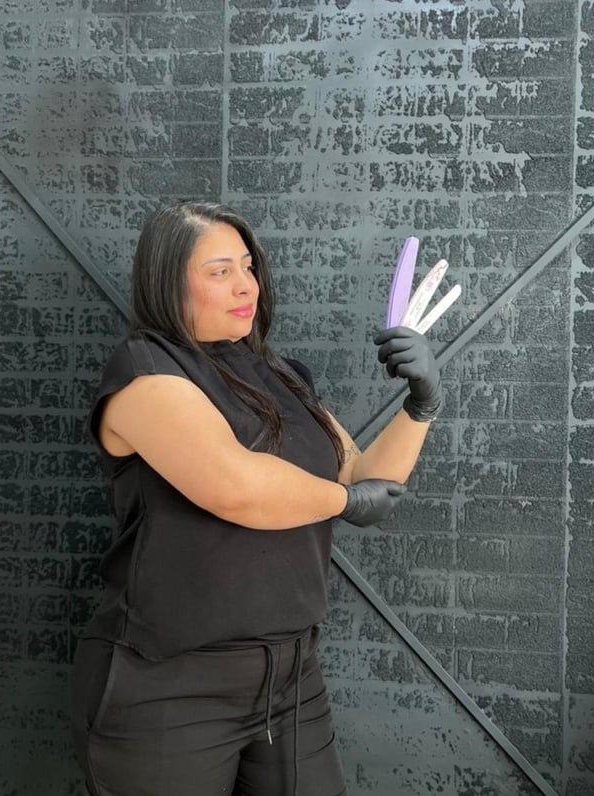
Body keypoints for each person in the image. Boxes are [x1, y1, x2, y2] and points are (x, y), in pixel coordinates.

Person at [70, 202, 442, 796]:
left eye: (249, 267)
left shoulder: (283, 376)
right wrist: (345, 501)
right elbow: (236, 487)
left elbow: (369, 476)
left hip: (291, 680)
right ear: (169, 282)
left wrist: (421, 403)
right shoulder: (144, 373)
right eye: (220, 271)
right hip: (170, 688)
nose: (247, 285)